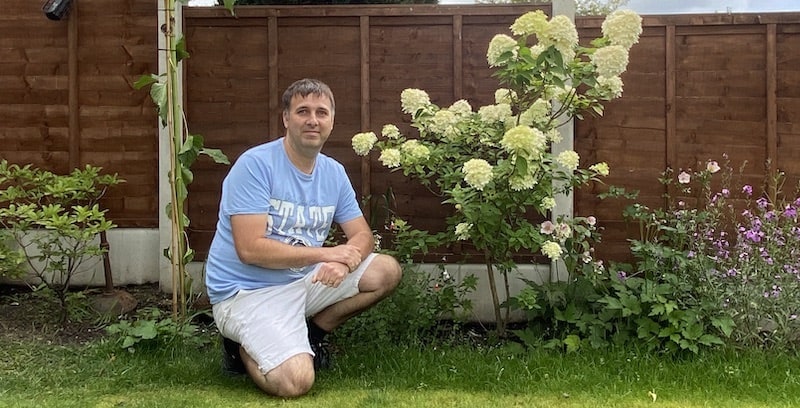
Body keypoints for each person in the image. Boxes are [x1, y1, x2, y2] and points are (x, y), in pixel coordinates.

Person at [204, 78, 402, 398]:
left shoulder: (333, 172)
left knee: (386, 271)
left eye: (321, 112)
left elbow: (362, 235)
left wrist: (346, 263)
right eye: (303, 111)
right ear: (286, 118)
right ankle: (240, 348)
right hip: (246, 293)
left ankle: (313, 334)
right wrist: (326, 255)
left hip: (302, 282)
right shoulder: (255, 166)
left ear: (332, 121)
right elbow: (250, 249)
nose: (313, 120)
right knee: (295, 382)